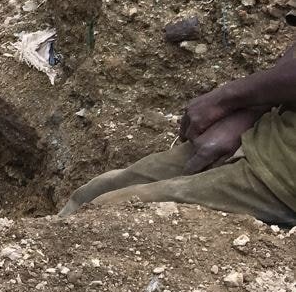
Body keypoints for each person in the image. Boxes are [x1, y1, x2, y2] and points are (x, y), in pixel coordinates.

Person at [59, 41, 296, 226]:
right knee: (96, 191)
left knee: (104, 212)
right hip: (271, 134)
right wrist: (250, 113)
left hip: (283, 179)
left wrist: (225, 99)